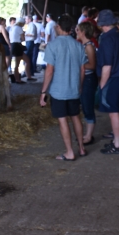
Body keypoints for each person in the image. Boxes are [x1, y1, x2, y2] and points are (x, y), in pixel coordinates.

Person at [39, 14, 87, 161]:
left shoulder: (52, 46)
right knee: (76, 117)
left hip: (58, 91)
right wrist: (79, 86)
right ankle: (81, 148)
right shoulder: (78, 45)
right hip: (74, 89)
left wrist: (43, 92)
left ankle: (69, 152)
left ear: (58, 27)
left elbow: (49, 71)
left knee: (62, 120)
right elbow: (83, 70)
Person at [96, 10, 119, 155]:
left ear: (103, 24)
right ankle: (117, 140)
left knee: (113, 112)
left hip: (113, 78)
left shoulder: (107, 38)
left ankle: (117, 144)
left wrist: (102, 86)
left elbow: (107, 65)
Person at [76, 21, 98, 146]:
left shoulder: (89, 46)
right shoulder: (83, 45)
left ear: (83, 32)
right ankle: (87, 134)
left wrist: (79, 65)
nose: (76, 32)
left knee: (87, 106)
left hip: (89, 79)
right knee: (84, 106)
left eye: (78, 30)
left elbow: (92, 65)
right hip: (84, 78)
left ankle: (89, 136)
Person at [9, 19, 35, 83]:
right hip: (17, 45)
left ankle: (28, 76)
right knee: (18, 64)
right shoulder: (19, 28)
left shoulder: (12, 28)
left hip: (14, 45)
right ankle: (18, 79)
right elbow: (23, 39)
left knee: (26, 61)